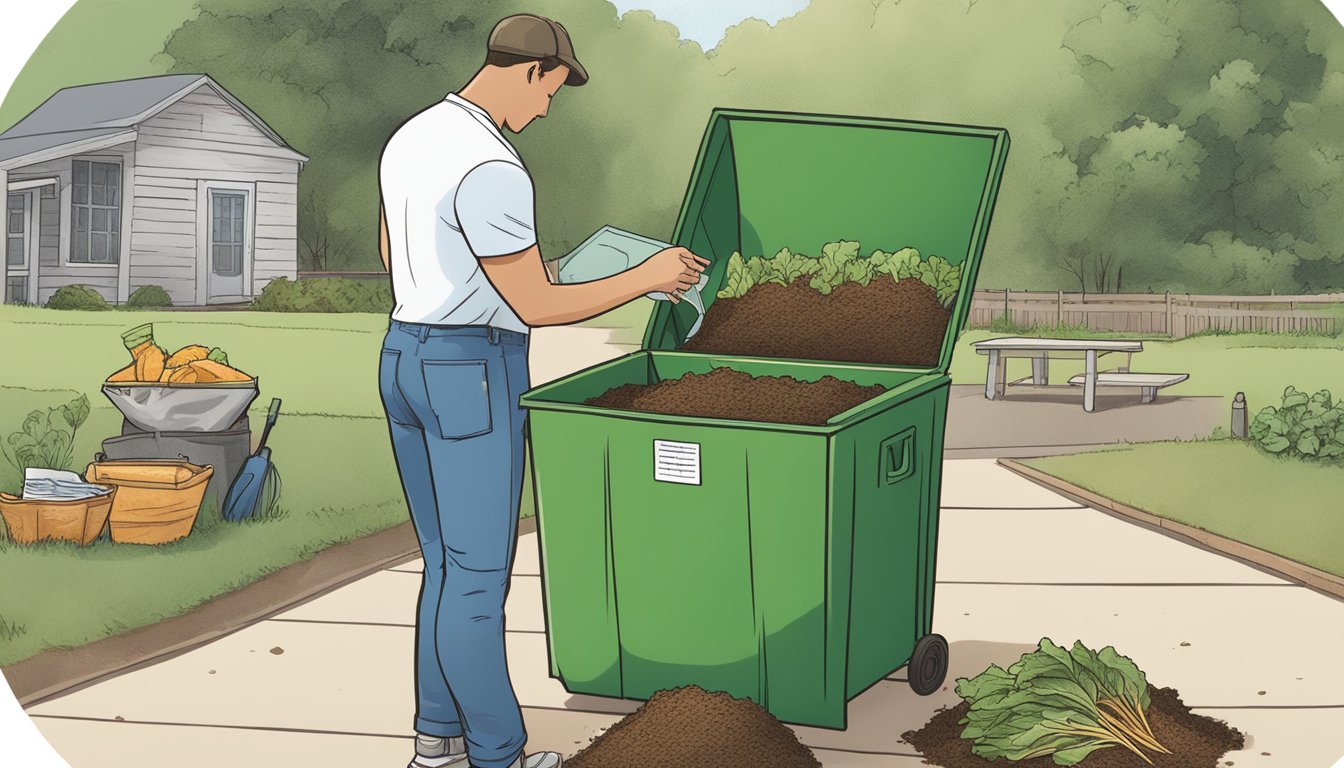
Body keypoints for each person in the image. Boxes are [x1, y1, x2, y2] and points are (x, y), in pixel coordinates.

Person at [376, 14, 709, 768]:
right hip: (472, 370)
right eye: (551, 92)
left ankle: (438, 743)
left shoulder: (413, 137)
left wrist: (529, 274)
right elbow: (536, 307)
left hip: (403, 354)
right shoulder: (494, 166)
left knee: (443, 565)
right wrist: (648, 278)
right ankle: (498, 756)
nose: (546, 109)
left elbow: (397, 250)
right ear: (530, 71)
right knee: (478, 580)